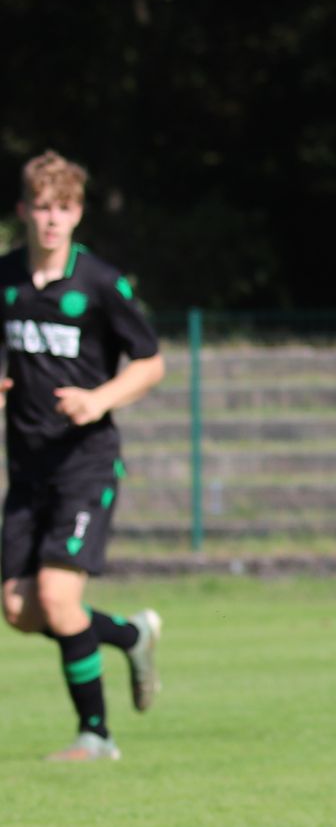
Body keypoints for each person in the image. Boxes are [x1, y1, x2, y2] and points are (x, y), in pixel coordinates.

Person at [1, 152, 164, 761]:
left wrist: (99, 400)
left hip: (86, 463)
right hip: (26, 465)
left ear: (77, 213)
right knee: (19, 610)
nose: (51, 221)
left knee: (59, 598)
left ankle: (96, 735)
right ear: (23, 211)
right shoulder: (6, 279)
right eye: (41, 208)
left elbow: (150, 362)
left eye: (63, 209)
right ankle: (129, 634)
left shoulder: (99, 282)